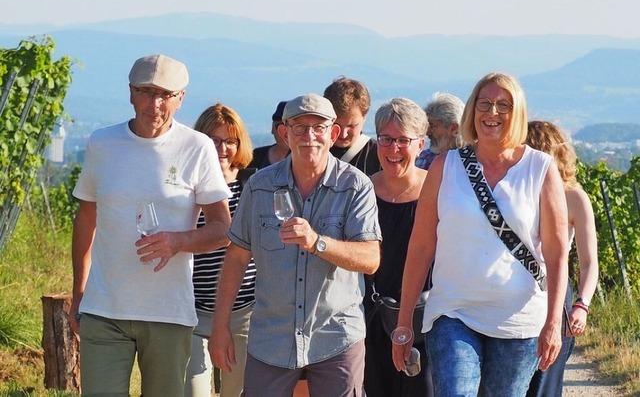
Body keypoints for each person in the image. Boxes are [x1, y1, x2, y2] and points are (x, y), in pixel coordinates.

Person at [392, 72, 569, 397]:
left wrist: (553, 323)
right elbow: (420, 247)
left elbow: (557, 254)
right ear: (472, 111)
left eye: (504, 105)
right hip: (453, 312)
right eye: (484, 104)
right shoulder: (445, 166)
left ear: (517, 114)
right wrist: (404, 324)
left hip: (518, 318)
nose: (492, 113)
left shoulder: (540, 168)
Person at [69, 54, 232, 397]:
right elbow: (86, 218)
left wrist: (178, 241)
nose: (154, 104)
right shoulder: (103, 142)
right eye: (145, 92)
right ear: (130, 93)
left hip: (169, 313)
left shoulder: (197, 147)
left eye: (165, 95)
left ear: (180, 98)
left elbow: (222, 228)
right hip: (104, 309)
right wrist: (78, 291)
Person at [210, 93, 381, 397]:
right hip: (271, 339)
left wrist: (318, 243)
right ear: (284, 134)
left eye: (319, 128)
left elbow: (370, 258)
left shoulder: (356, 186)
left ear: (334, 134)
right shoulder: (260, 186)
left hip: (336, 336)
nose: (309, 137)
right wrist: (220, 325)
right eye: (300, 128)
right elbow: (236, 258)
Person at [186, 103, 257, 397]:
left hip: (244, 310)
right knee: (193, 391)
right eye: (214, 140)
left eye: (230, 141)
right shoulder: (185, 190)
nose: (223, 148)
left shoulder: (253, 188)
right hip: (192, 309)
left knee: (237, 392)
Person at [364, 98, 433, 397]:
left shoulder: (438, 191)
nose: (393, 149)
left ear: (421, 144)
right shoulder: (361, 191)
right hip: (371, 318)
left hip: (427, 320)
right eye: (386, 139)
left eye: (403, 140)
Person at [525, 120, 599, 397]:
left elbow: (589, 261)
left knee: (545, 382)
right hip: (514, 294)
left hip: (554, 294)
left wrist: (582, 304)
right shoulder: (515, 192)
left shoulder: (575, 198)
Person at [324, 77, 381, 176]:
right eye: (336, 125)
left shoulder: (379, 156)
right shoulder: (313, 150)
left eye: (351, 125)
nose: (343, 134)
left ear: (364, 117)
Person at [416, 92, 464, 170]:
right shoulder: (425, 159)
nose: (427, 132)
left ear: (454, 128)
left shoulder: (476, 161)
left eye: (433, 126)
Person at [249, 101, 290, 169]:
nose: (284, 133)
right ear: (272, 128)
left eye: (289, 127)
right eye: (280, 127)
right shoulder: (256, 156)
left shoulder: (304, 160)